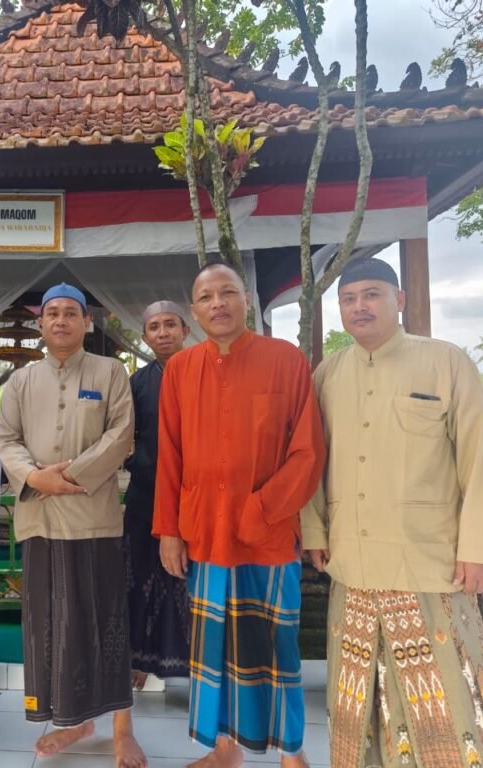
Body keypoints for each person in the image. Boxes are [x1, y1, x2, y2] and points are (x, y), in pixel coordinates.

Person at [301, 257, 483, 768]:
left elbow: (479, 460)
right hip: (352, 567)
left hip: (429, 565)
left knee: (449, 707)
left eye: (371, 294)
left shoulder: (446, 362)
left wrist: (481, 550)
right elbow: (311, 459)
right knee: (357, 710)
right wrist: (313, 529)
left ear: (399, 300)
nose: (360, 306)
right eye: (349, 299)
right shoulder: (328, 374)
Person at [153, 262, 325, 768]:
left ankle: (291, 752)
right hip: (204, 533)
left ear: (246, 300)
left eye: (227, 292)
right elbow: (169, 455)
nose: (218, 304)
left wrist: (263, 508)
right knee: (213, 652)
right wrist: (168, 531)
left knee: (276, 648)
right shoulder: (181, 369)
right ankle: (224, 750)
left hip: (266, 535)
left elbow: (308, 451)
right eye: (206, 297)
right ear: (194, 311)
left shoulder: (285, 360)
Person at [0, 283, 145, 768]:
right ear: (41, 324)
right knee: (51, 625)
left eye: (70, 313)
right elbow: (5, 438)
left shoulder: (110, 372)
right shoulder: (20, 381)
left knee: (107, 623)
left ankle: (122, 729)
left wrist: (71, 476)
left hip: (93, 519)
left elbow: (121, 434)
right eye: (52, 313)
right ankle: (72, 721)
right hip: (39, 518)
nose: (61, 320)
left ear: (87, 322)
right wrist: (35, 476)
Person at [124, 300, 192, 690]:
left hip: (194, 496)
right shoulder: (137, 383)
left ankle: (194, 663)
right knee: (142, 579)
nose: (163, 332)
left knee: (187, 582)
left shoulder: (203, 371)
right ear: (145, 336)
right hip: (146, 496)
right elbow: (122, 435)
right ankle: (141, 659)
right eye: (154, 327)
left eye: (170, 324)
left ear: (185, 330)